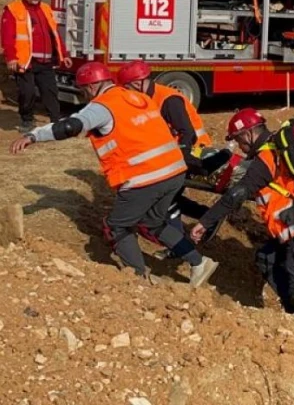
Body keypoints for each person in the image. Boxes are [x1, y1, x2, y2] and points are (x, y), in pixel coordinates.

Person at [8, 62, 218, 286]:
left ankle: (138, 279)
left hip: (145, 177)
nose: (84, 95)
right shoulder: (138, 98)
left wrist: (33, 136)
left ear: (90, 87)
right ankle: (199, 262)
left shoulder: (102, 106)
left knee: (117, 226)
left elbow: (70, 126)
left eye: (82, 90)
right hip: (174, 171)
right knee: (152, 221)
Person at [189, 109, 294, 322]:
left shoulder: (266, 159)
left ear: (248, 134)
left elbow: (236, 195)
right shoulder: (279, 146)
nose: (239, 146)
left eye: (238, 139)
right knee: (266, 258)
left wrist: (205, 221)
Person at [115, 60, 227, 256]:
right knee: (168, 197)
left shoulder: (168, 100)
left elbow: (188, 133)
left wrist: (180, 159)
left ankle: (179, 248)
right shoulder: (147, 99)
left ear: (138, 83)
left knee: (167, 202)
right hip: (172, 156)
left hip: (191, 153)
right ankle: (205, 217)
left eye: (127, 88)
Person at [2, 0, 71, 133]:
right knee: (27, 93)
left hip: (45, 61)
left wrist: (63, 54)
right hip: (25, 61)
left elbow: (54, 34)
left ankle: (55, 121)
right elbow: (7, 37)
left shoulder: (46, 9)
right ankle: (27, 120)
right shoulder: (13, 10)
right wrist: (11, 57)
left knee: (50, 91)